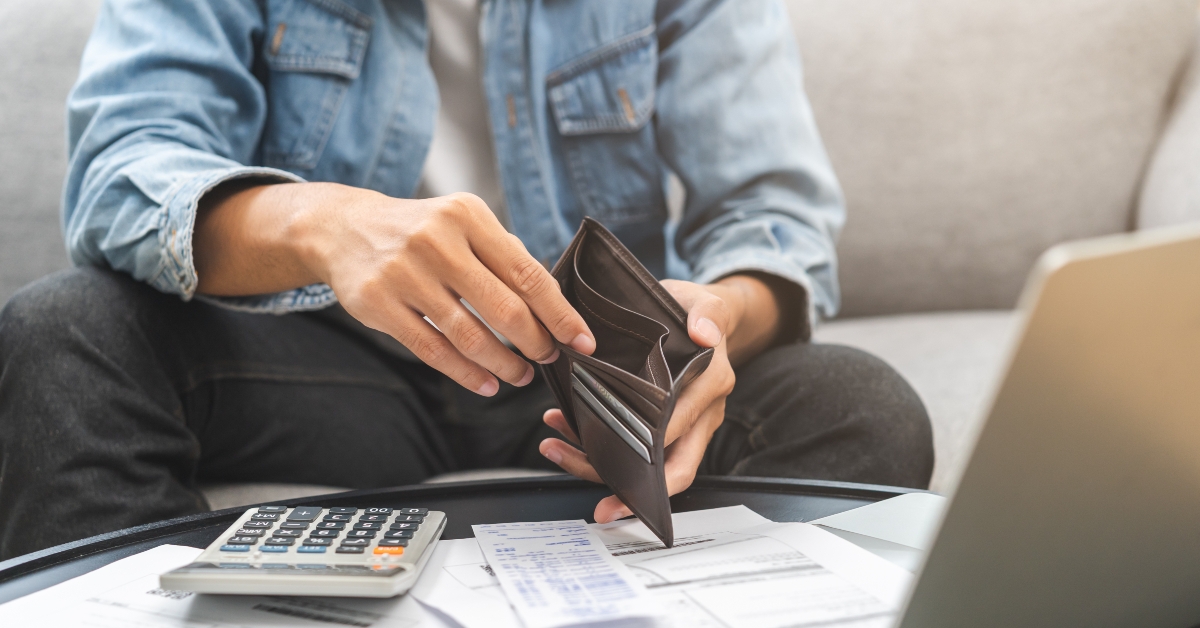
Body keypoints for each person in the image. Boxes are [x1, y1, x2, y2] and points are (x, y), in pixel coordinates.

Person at [0, 0, 933, 560]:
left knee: (861, 404)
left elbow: (771, 215)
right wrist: (320, 225)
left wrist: (714, 315)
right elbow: (122, 167)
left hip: (576, 387)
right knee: (60, 337)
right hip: (319, 362)